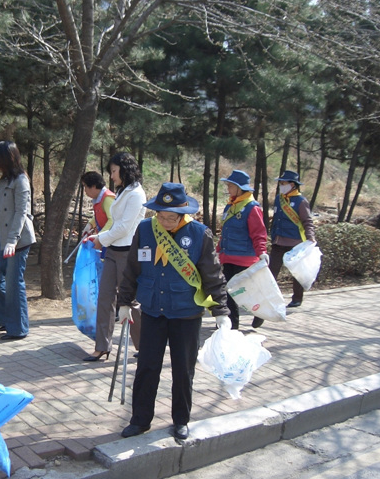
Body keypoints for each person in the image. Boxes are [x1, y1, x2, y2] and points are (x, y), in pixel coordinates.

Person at [117, 182, 230, 440]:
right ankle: (140, 419)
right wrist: (124, 302)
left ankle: (181, 419)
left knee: (183, 369)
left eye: (171, 217)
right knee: (146, 367)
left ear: (183, 214)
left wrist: (221, 310)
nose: (165, 222)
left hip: (186, 313)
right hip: (153, 311)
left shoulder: (199, 234)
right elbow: (132, 269)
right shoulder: (146, 230)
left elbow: (212, 274)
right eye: (161, 215)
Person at [83, 152, 145, 361]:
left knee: (131, 301)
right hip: (112, 251)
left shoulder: (136, 194)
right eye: (111, 172)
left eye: (114, 171)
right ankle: (102, 346)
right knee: (105, 298)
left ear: (125, 169)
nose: (112, 176)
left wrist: (101, 238)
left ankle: (144, 347)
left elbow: (124, 227)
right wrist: (99, 237)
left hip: (128, 253)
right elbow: (115, 223)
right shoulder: (122, 191)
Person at [0, 141, 35, 340]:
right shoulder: (3, 180)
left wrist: (12, 241)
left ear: (6, 159)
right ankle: (7, 320)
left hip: (19, 239)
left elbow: (21, 213)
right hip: (3, 239)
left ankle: (18, 328)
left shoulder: (21, 180)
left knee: (14, 283)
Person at [217, 170, 268, 329]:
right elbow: (225, 232)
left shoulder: (252, 208)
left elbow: (258, 233)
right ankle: (231, 325)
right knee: (229, 292)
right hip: (228, 256)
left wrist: (262, 252)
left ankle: (257, 314)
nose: (228, 188)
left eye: (231, 185)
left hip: (244, 258)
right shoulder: (230, 205)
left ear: (240, 188)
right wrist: (219, 250)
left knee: (241, 292)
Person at [269, 170, 316, 308]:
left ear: (293, 185)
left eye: (283, 183)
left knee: (297, 273)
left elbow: (307, 221)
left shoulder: (301, 201)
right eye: (280, 183)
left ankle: (297, 298)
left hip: (295, 242)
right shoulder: (279, 199)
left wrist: (310, 238)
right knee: (272, 272)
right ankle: (269, 298)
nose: (281, 186)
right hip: (278, 241)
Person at [80, 171, 116, 237]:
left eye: (85, 186)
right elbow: (100, 214)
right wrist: (90, 224)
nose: (85, 190)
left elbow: (112, 220)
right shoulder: (98, 198)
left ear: (93, 186)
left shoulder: (107, 198)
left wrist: (99, 237)